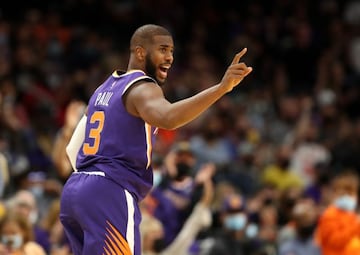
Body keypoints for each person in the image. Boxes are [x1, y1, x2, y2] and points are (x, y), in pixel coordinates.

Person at [60, 24, 253, 255]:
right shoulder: (142, 87)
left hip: (75, 191)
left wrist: (90, 186)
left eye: (171, 51)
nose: (170, 57)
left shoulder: (103, 89)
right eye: (163, 49)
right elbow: (169, 118)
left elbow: (73, 149)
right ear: (140, 52)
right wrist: (222, 88)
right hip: (109, 190)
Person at [316, 170, 360, 255]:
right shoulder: (329, 215)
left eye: (351, 193)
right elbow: (335, 242)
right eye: (344, 192)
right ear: (335, 194)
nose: (347, 196)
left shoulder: (352, 215)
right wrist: (356, 225)